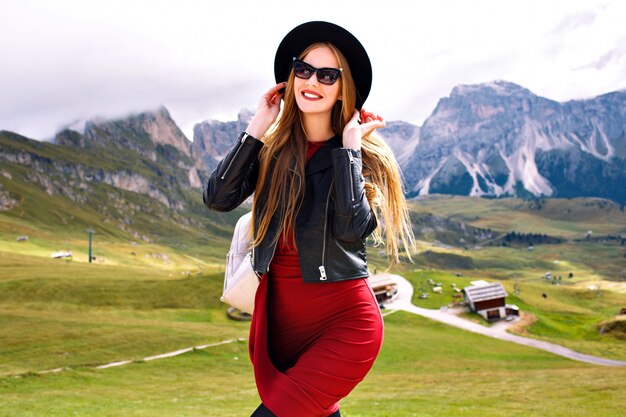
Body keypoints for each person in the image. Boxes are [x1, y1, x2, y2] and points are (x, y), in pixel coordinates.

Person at [204, 21, 414, 417]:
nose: (311, 80)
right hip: (281, 326)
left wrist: (349, 149)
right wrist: (257, 127)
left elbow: (353, 228)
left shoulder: (358, 157)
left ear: (342, 88)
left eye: (327, 74)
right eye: (303, 69)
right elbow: (218, 198)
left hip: (345, 325)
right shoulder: (271, 152)